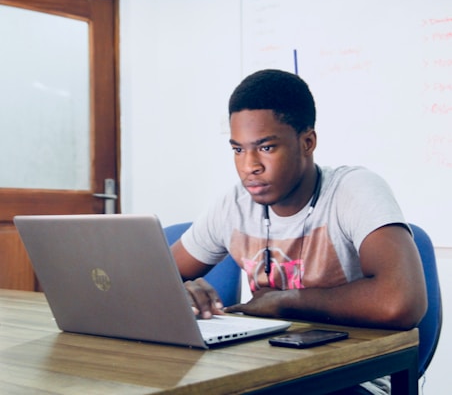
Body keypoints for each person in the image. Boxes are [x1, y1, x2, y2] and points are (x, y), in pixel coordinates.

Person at [171, 69, 427, 395]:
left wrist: (284, 301)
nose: (249, 165)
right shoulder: (233, 204)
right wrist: (180, 294)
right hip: (264, 370)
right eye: (238, 150)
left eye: (265, 148)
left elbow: (400, 302)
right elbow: (153, 278)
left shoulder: (354, 190)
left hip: (353, 376)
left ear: (307, 142)